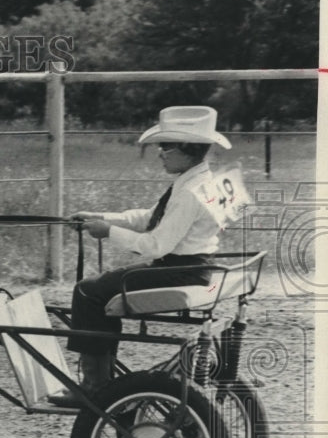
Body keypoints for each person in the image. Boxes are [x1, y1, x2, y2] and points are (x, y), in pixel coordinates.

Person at [48, 106, 232, 407]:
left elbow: (157, 244)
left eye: (165, 146)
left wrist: (108, 231)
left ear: (187, 149)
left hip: (178, 268)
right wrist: (101, 216)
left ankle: (95, 386)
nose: (160, 153)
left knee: (87, 291)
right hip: (196, 266)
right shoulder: (200, 180)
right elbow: (151, 217)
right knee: (102, 287)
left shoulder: (189, 191)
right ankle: (102, 380)